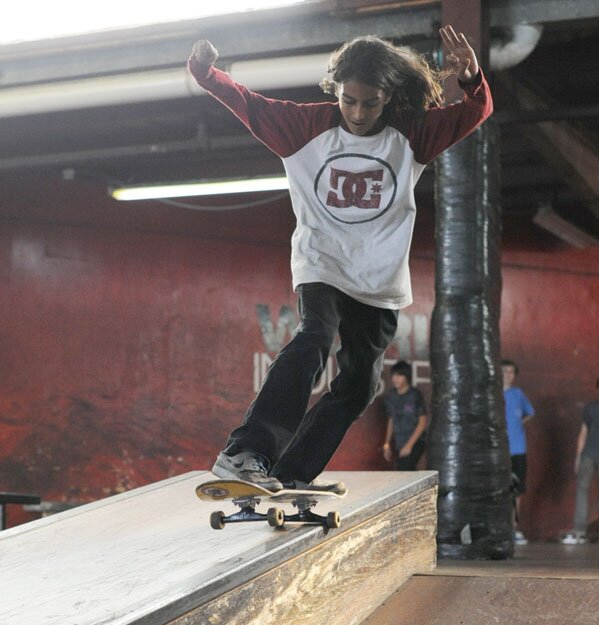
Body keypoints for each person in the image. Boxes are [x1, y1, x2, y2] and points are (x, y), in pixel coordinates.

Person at [188, 27, 493, 491]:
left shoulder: (412, 132)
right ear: (336, 91)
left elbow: (476, 110)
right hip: (322, 262)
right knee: (315, 337)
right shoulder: (305, 126)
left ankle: (290, 474)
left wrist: (471, 78)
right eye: (349, 100)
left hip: (380, 280)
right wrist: (205, 73)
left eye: (371, 103)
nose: (358, 113)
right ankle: (246, 452)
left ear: (388, 97)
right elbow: (248, 104)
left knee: (359, 386)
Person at [561, 378, 599, 545]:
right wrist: (578, 457)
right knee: (582, 492)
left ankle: (580, 531)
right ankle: (579, 530)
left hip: (588, 454)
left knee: (582, 492)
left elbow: (583, 433)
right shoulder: (590, 408)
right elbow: (583, 433)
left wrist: (579, 457)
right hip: (588, 454)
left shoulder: (590, 408)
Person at [502, 359, 535, 544]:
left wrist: (517, 423)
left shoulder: (518, 394)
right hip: (498, 451)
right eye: (504, 371)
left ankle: (514, 528)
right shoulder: (492, 393)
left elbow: (530, 412)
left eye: (511, 372)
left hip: (518, 449)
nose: (507, 375)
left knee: (516, 490)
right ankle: (499, 528)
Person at [383, 361, 427, 470]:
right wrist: (387, 444)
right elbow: (391, 420)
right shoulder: (391, 396)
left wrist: (409, 446)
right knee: (406, 471)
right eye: (394, 376)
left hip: (416, 441)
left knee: (404, 469)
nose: (395, 379)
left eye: (399, 376)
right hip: (399, 442)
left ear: (407, 377)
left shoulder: (415, 395)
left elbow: (423, 422)